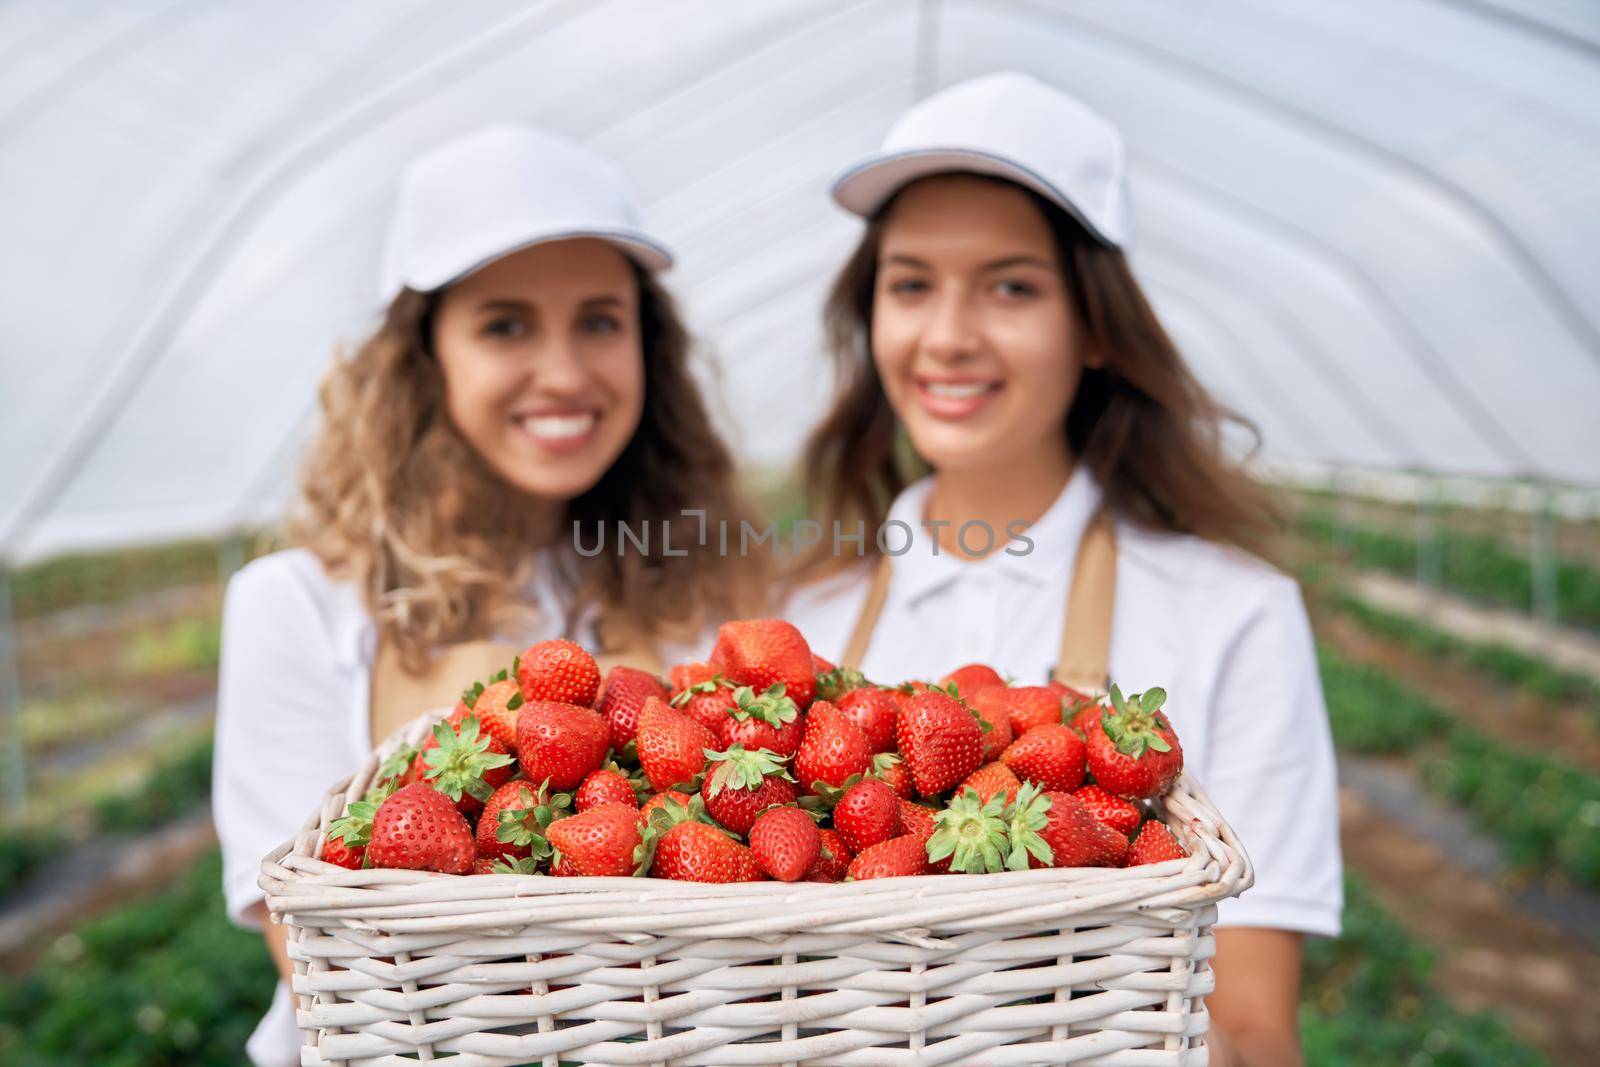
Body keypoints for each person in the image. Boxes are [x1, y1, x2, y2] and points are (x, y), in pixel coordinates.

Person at [786, 72, 1341, 1067]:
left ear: (1093, 323)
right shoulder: (797, 625)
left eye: (1010, 285)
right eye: (910, 282)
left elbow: (1253, 1029)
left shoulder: (1233, 615)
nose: (947, 335)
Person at [212, 125, 760, 1066]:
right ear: (424, 357)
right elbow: (317, 950)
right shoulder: (301, 606)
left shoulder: (703, 584)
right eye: (505, 324)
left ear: (647, 346)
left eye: (599, 319)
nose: (565, 370)